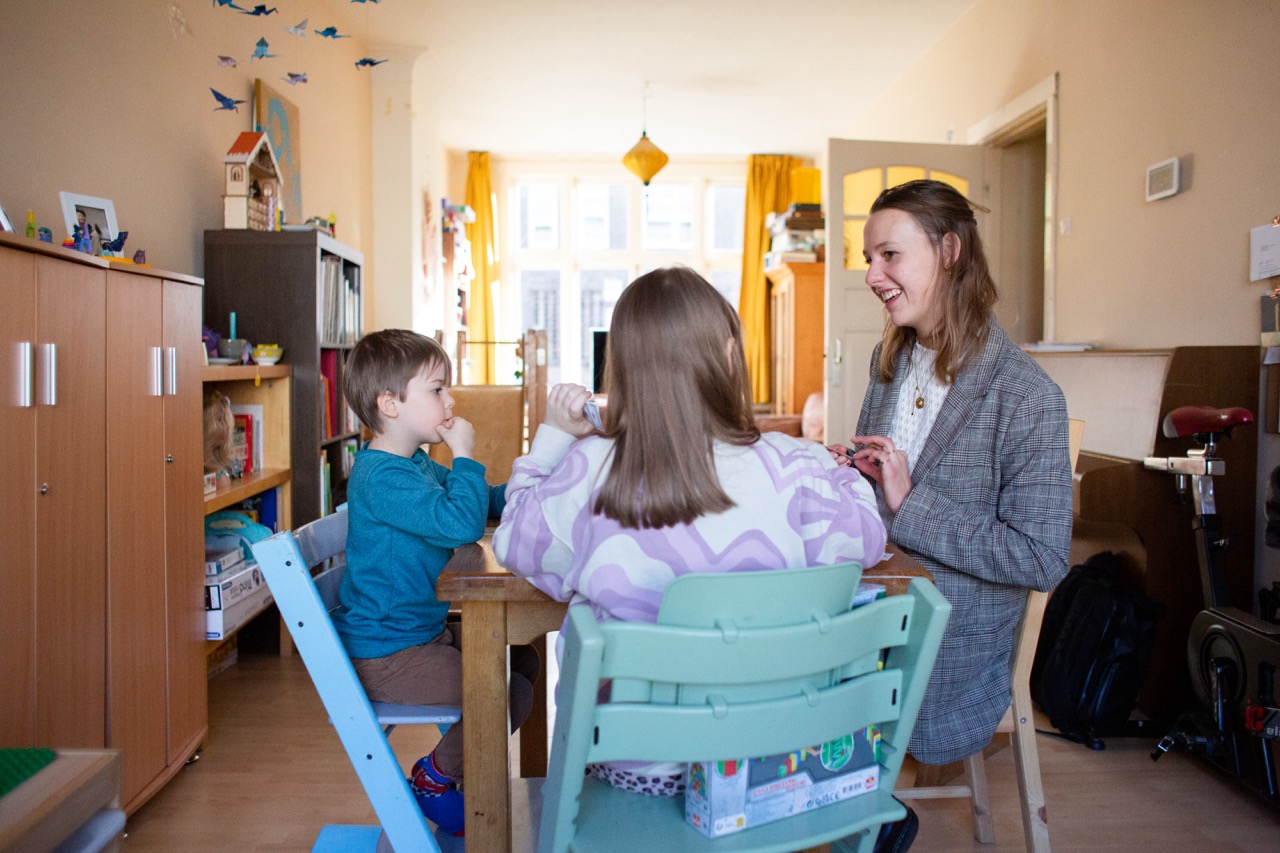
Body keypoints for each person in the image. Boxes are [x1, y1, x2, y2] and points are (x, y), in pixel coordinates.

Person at [492, 265, 887, 797]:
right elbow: (868, 538)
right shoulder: (798, 466)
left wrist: (551, 440)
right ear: (730, 357)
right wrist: (849, 478)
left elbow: (513, 538)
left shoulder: (589, 469)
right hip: (772, 763)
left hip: (634, 769)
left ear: (624, 371)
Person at [834, 179, 1073, 769]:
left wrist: (908, 501)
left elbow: (1042, 559)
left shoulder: (1027, 396)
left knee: (783, 668)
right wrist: (854, 473)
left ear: (949, 251)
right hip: (875, 594)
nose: (871, 274)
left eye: (889, 254)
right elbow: (879, 492)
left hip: (950, 633)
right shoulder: (889, 360)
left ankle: (827, 807)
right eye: (870, 258)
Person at [335, 329, 539, 836]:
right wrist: (465, 455)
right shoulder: (382, 478)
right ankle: (435, 777)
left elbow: (481, 502)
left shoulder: (414, 464)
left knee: (526, 657)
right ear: (390, 404)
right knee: (505, 692)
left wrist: (533, 487)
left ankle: (465, 774)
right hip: (390, 653)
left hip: (418, 635)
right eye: (437, 390)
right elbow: (460, 524)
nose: (450, 401)